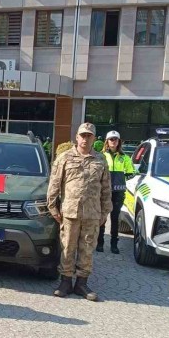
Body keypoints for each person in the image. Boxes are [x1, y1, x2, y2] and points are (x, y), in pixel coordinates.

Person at [47, 122, 112, 302]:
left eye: (89, 136)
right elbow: (54, 183)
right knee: (67, 247)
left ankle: (82, 283)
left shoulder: (100, 160)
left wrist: (105, 212)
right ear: (76, 137)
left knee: (87, 248)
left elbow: (106, 188)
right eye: (82, 135)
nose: (85, 139)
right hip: (69, 212)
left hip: (92, 213)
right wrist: (52, 206)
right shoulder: (65, 157)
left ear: (94, 139)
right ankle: (65, 282)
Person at [97, 130, 135, 254]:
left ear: (119, 142)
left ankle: (114, 244)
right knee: (102, 217)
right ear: (107, 142)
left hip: (118, 192)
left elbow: (131, 173)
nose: (113, 141)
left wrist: (125, 177)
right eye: (111, 139)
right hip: (103, 191)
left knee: (115, 218)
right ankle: (100, 243)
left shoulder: (125, 158)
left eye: (116, 139)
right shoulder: (101, 156)